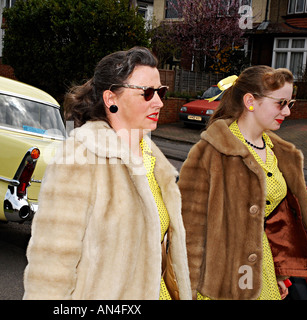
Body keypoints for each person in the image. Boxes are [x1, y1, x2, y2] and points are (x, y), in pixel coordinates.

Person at [23, 47, 191, 300]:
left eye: (161, 91)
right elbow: (52, 261)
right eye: (147, 93)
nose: (158, 102)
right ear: (111, 99)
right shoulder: (80, 156)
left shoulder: (153, 158)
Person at [178, 65, 307, 300]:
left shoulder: (280, 152)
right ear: (250, 101)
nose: (287, 113)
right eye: (280, 104)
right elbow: (189, 230)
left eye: (290, 104)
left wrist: (278, 272)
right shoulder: (212, 152)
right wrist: (190, 290)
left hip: (261, 271)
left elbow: (275, 223)